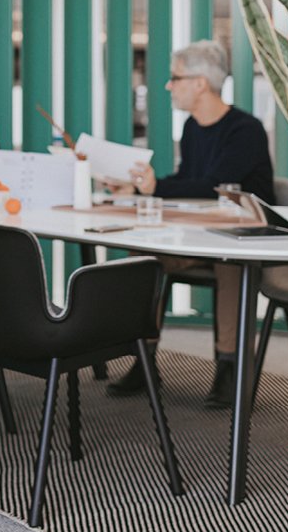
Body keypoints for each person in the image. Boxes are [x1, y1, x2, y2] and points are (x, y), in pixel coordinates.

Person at [107, 39, 274, 409]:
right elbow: (188, 181)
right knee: (144, 254)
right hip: (199, 237)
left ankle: (229, 368)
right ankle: (144, 359)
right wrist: (138, 187)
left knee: (232, 258)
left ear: (200, 83)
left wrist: (155, 187)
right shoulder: (194, 130)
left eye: (175, 78)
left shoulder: (245, 130)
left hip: (249, 243)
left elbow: (215, 187)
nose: (168, 86)